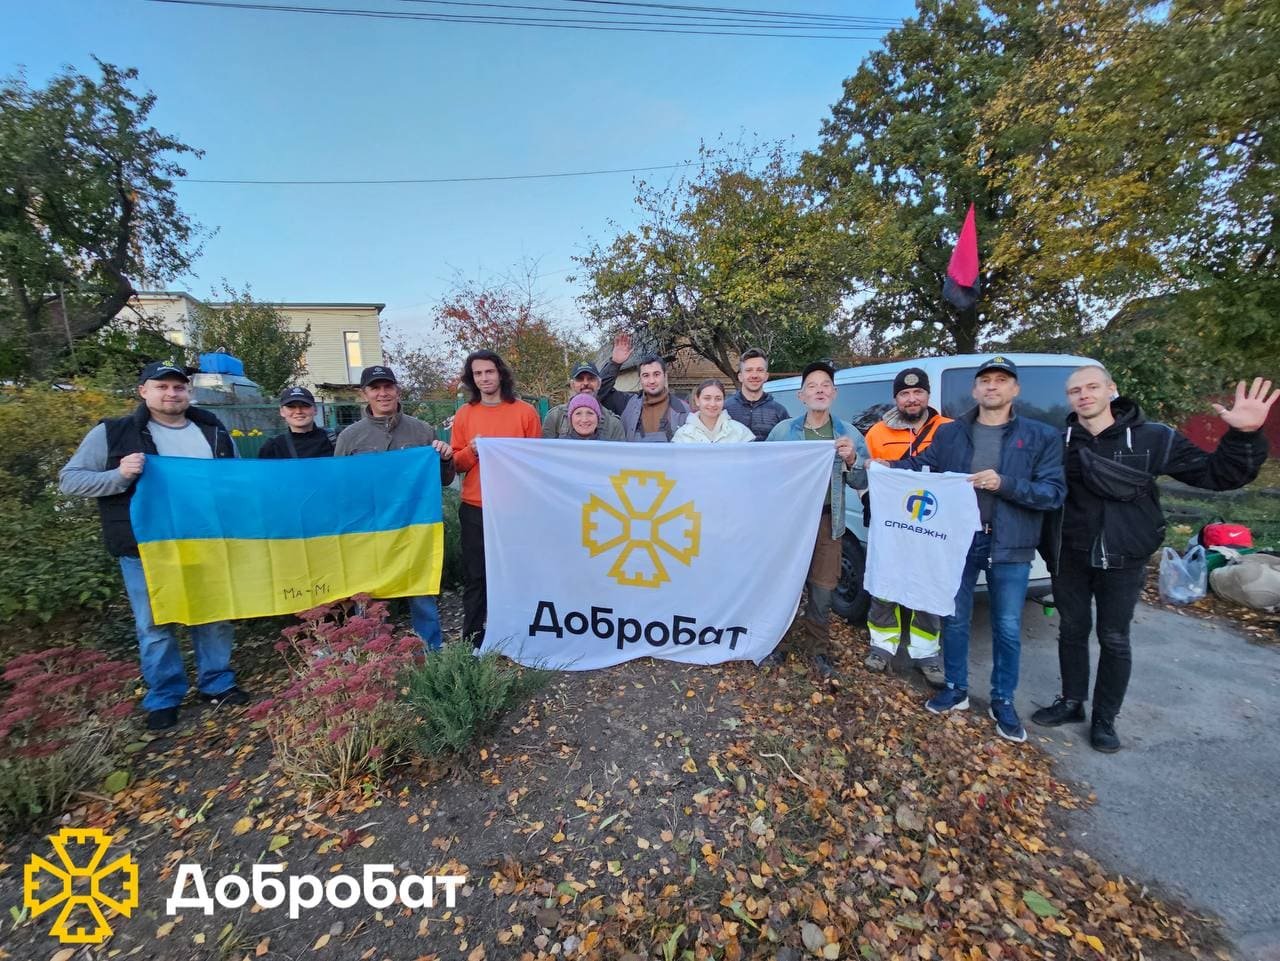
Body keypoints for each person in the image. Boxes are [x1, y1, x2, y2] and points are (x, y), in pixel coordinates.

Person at [1032, 369, 1275, 752]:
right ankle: (1072, 702)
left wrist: (1244, 435)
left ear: (1112, 390)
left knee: (1114, 638)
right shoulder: (1057, 441)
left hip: (1125, 557)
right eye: (1074, 390)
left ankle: (1105, 719)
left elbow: (1219, 475)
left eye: (1092, 387)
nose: (1083, 395)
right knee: (1072, 631)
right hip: (1070, 556)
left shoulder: (1153, 438)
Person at [58, 361, 245, 731]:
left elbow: (236, 479)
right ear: (143, 390)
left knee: (214, 615)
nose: (171, 393)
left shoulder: (212, 430)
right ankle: (165, 695)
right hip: (146, 546)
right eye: (162, 386)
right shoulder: (113, 433)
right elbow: (70, 481)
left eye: (178, 387)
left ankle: (217, 682)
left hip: (206, 541)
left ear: (188, 391)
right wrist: (119, 475)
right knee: (155, 624)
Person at [903, 357, 1065, 743]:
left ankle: (1002, 700)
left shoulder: (1041, 436)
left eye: (1001, 381)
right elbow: (919, 467)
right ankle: (956, 688)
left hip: (1010, 543)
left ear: (1015, 390)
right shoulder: (951, 434)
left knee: (1007, 626)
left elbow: (1053, 493)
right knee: (955, 618)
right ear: (975, 390)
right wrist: (872, 466)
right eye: (986, 381)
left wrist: (1004, 484)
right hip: (959, 541)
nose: (992, 387)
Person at [334, 364, 456, 651]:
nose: (383, 393)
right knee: (368, 595)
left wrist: (445, 458)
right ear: (364, 394)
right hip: (368, 530)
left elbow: (442, 480)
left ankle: (432, 650)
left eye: (388, 386)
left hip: (413, 528)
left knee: (421, 592)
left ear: (397, 390)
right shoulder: (350, 438)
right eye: (375, 388)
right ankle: (372, 654)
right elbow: (339, 486)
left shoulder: (422, 430)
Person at [765, 361, 870, 679]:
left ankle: (818, 650)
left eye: (825, 385)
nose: (819, 390)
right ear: (801, 396)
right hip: (791, 522)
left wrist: (852, 459)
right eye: (812, 385)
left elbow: (861, 481)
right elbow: (765, 472)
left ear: (834, 393)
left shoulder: (848, 434)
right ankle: (774, 641)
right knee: (784, 585)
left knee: (823, 589)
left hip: (828, 521)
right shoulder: (784, 432)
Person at [862, 368, 952, 685]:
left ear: (928, 395)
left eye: (917, 392)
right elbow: (864, 479)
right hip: (889, 528)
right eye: (904, 393)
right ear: (896, 398)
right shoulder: (876, 434)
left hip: (931, 527)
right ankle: (882, 647)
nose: (911, 399)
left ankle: (926, 653)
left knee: (926, 587)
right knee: (885, 584)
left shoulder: (948, 430)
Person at [450, 350, 542, 646]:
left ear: (500, 373)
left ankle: (519, 634)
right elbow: (456, 464)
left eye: (489, 372)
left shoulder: (525, 412)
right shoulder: (465, 414)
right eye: (477, 374)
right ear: (471, 379)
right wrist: (472, 451)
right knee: (476, 577)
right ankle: (473, 640)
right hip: (476, 507)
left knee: (517, 574)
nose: (484, 378)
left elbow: (536, 461)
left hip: (514, 510)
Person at [598, 332, 690, 442]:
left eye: (656, 374)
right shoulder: (626, 404)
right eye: (646, 375)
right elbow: (598, 392)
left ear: (665, 376)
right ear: (640, 379)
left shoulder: (683, 409)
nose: (651, 381)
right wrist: (615, 364)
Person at [542, 362, 625, 440]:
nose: (585, 383)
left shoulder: (613, 423)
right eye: (580, 379)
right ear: (572, 385)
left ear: (599, 384)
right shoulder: (555, 417)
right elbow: (545, 451)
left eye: (591, 379)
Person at [725, 348, 789, 441]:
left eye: (760, 370)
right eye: (749, 370)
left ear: (766, 376)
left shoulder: (779, 412)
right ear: (740, 376)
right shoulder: (725, 409)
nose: (754, 375)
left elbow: (788, 448)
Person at [257, 386, 335, 459]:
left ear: (315, 409)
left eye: (305, 405)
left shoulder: (334, 440)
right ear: (282, 411)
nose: (298, 411)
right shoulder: (273, 446)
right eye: (291, 407)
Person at [673, 379, 757, 444]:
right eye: (707, 398)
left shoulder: (740, 432)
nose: (712, 404)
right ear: (697, 400)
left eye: (718, 399)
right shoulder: (682, 435)